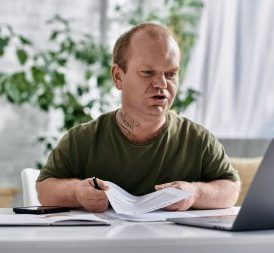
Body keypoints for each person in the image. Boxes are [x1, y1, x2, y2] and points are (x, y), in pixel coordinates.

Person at [36, 23, 241, 213]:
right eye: (147, 72)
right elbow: (44, 188)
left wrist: (194, 193)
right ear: (118, 76)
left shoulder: (198, 140)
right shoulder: (82, 139)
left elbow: (231, 189)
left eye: (170, 74)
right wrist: (77, 192)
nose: (161, 84)